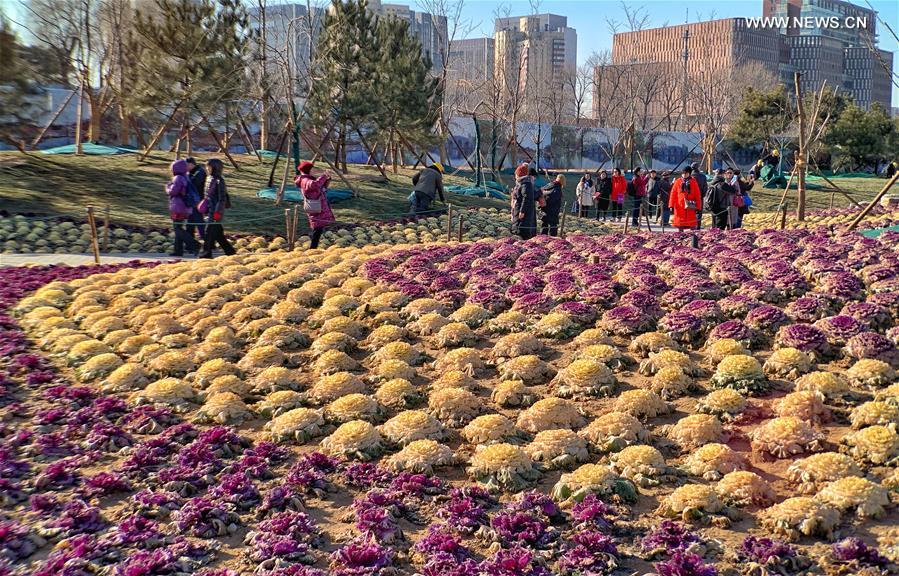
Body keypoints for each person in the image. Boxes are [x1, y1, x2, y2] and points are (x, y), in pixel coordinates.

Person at [198, 158, 236, 258]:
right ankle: (230, 251)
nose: (207, 168)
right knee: (218, 234)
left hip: (215, 210)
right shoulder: (208, 178)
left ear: (215, 168)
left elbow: (221, 199)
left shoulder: (220, 181)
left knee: (209, 232)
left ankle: (207, 253)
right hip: (209, 209)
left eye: (209, 166)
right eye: (206, 166)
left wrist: (217, 213)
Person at [296, 160, 334, 249]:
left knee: (318, 228)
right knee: (317, 229)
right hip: (316, 207)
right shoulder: (305, 180)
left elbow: (319, 189)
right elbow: (315, 185)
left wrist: (327, 181)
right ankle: (313, 248)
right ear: (308, 169)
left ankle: (314, 246)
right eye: (312, 169)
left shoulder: (307, 179)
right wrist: (324, 176)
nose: (314, 170)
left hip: (318, 206)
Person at [166, 159, 200, 257]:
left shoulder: (178, 178)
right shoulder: (186, 177)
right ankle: (178, 250)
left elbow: (173, 192)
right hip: (185, 207)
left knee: (177, 229)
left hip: (178, 207)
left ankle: (194, 244)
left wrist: (168, 187)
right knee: (178, 227)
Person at [669, 166, 702, 231]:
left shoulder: (693, 182)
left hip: (690, 205)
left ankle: (693, 238)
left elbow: (697, 195)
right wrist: (671, 205)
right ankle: (680, 236)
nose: (684, 175)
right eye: (683, 173)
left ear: (689, 173)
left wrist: (698, 207)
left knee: (692, 224)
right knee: (680, 224)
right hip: (679, 206)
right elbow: (673, 194)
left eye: (686, 173)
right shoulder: (678, 181)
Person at [511, 163, 538, 240]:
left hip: (522, 212)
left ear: (519, 174)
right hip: (518, 209)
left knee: (521, 229)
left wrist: (522, 211)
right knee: (518, 227)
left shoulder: (525, 184)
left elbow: (526, 198)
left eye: (516, 174)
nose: (515, 176)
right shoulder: (521, 184)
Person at [184, 157, 206, 245]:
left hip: (197, 201)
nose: (185, 167)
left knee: (199, 221)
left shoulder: (199, 172)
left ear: (191, 164)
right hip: (193, 200)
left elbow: (194, 185)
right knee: (190, 222)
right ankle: (190, 243)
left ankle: (207, 242)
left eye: (186, 165)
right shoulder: (191, 172)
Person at [690, 162, 707, 229]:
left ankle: (692, 226)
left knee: (691, 212)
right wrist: (702, 195)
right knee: (699, 212)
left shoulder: (689, 177)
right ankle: (697, 227)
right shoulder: (702, 176)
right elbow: (705, 188)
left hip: (690, 198)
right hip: (699, 197)